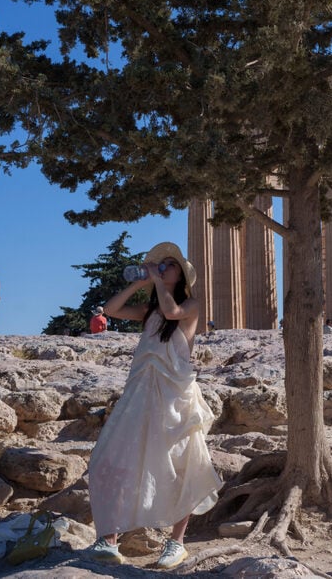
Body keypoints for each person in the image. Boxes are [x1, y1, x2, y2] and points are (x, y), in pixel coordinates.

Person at [86, 242, 222, 569]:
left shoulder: (191, 303)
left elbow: (173, 313)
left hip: (175, 393)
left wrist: (159, 284)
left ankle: (176, 543)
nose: (163, 267)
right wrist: (139, 282)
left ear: (181, 275)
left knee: (183, 462)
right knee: (113, 455)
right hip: (140, 393)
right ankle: (108, 539)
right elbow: (112, 309)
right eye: (160, 264)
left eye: (169, 264)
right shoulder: (149, 311)